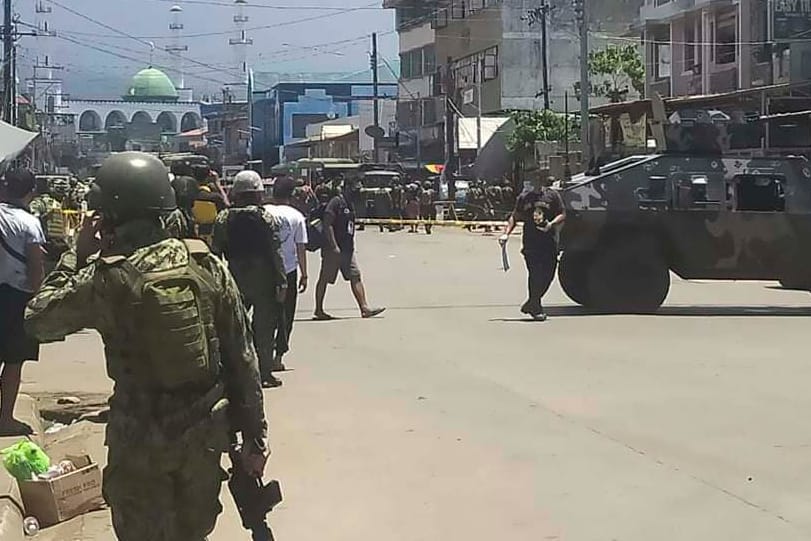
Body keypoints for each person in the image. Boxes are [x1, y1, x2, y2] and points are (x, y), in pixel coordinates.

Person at [24, 153, 269, 541]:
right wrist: (255, 438)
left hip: (140, 441)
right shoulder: (207, 265)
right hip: (203, 439)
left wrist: (76, 253)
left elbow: (38, 320)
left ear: (110, 216)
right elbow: (243, 357)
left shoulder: (108, 278)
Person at [212, 170, 288, 388]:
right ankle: (264, 374)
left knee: (233, 327)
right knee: (264, 329)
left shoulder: (224, 218)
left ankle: (234, 373)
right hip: (264, 279)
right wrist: (282, 281)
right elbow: (276, 252)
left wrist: (216, 282)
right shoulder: (265, 218)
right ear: (257, 194)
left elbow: (216, 253)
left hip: (235, 277)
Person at [0, 170, 45, 436]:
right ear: (32, 192)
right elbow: (36, 265)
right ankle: (5, 419)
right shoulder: (28, 223)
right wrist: (38, 297)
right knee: (14, 361)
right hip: (17, 297)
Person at [313, 177, 385, 320]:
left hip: (347, 249)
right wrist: (333, 246)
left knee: (355, 276)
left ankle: (364, 308)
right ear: (346, 188)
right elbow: (328, 224)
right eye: (355, 189)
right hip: (333, 249)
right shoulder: (336, 202)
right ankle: (319, 310)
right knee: (325, 278)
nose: (358, 191)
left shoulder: (350, 204)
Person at [499, 174, 566, 321]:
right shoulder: (524, 198)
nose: (536, 182)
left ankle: (531, 302)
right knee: (535, 274)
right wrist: (506, 234)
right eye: (534, 179)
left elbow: (562, 213)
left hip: (549, 242)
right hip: (531, 243)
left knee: (549, 274)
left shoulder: (552, 196)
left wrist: (551, 224)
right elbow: (514, 217)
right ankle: (536, 307)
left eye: (539, 179)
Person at [265, 177, 308, 372]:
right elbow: (300, 248)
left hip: (266, 269)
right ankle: (278, 355)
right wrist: (304, 274)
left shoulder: (264, 211)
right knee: (286, 314)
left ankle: (261, 352)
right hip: (288, 270)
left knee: (264, 311)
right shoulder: (297, 216)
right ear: (292, 195)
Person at [29, 176, 70, 273]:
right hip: (49, 248)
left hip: (63, 248)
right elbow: (33, 220)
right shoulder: (40, 202)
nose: (61, 190)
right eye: (58, 187)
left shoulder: (64, 203)